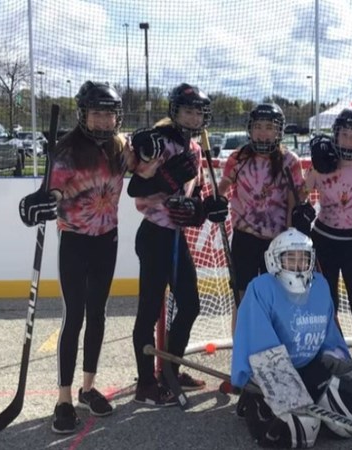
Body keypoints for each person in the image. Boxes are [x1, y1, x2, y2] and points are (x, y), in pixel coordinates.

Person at [17, 81, 131, 434]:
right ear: (83, 114)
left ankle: (88, 387)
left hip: (107, 240)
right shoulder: (66, 151)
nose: (104, 121)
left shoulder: (120, 146)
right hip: (75, 241)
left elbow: (145, 167)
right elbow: (52, 191)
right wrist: (41, 203)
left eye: (110, 114)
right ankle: (64, 398)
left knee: (98, 314)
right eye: (97, 113)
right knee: (75, 316)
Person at [231, 228, 352, 448]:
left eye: (303, 258)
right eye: (290, 258)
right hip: (270, 369)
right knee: (302, 431)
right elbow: (259, 345)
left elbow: (329, 336)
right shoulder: (261, 288)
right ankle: (253, 398)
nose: (298, 265)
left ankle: (311, 391)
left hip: (306, 366)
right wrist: (285, 389)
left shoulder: (319, 285)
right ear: (274, 260)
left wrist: (342, 366)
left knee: (348, 419)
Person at [126, 83, 229, 406]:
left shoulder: (195, 149)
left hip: (175, 236)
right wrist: (166, 179)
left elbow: (193, 196)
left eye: (199, 112)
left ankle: (170, 370)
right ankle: (146, 383)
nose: (194, 117)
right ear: (175, 111)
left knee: (190, 305)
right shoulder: (161, 142)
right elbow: (135, 188)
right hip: (154, 234)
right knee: (149, 311)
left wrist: (202, 208)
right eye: (188, 111)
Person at [217, 104, 309, 321]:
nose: (262, 132)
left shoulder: (289, 160)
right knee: (242, 297)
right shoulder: (238, 158)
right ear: (250, 129)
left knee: (277, 296)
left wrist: (291, 233)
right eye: (258, 126)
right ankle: (241, 340)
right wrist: (214, 202)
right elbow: (221, 190)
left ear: (279, 131)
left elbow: (294, 200)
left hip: (277, 241)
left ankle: (274, 339)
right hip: (244, 238)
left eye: (269, 127)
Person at [301, 108, 352, 361]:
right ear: (335, 135)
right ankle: (332, 358)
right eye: (345, 134)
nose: (350, 140)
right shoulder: (322, 163)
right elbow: (300, 196)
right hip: (324, 241)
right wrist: (300, 211)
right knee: (327, 306)